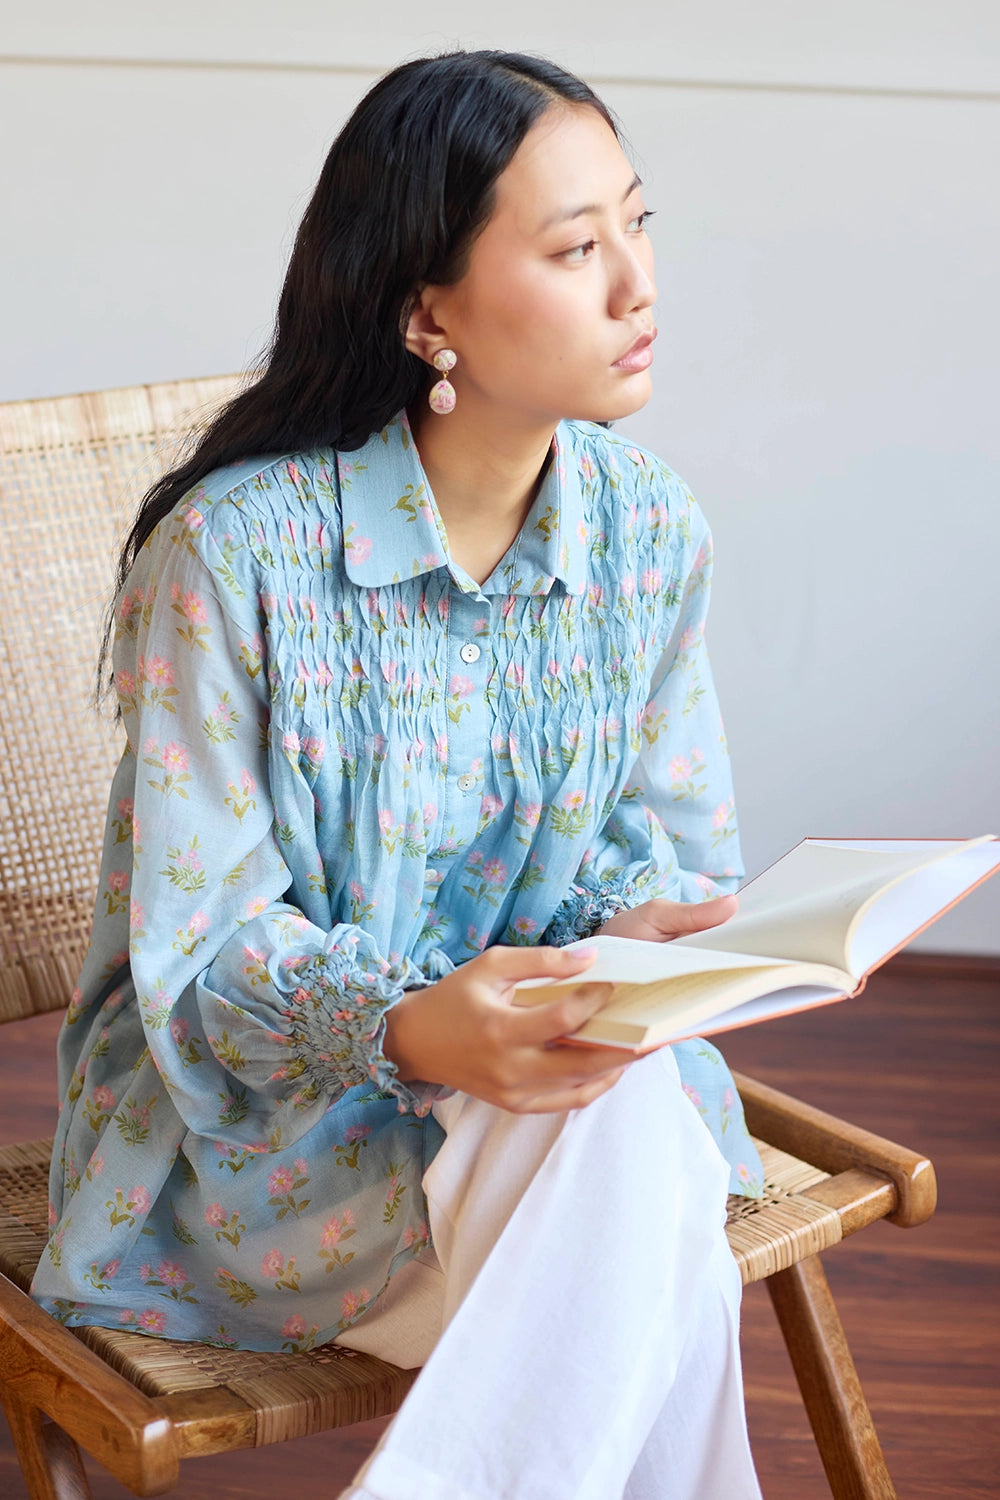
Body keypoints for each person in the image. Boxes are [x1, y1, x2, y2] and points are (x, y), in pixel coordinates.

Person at [32, 50, 765, 1498]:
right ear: (426, 309)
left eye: (638, 225)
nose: (637, 287)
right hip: (265, 1136)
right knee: (635, 1178)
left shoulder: (651, 530)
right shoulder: (238, 558)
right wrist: (424, 1031)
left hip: (552, 1083)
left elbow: (667, 849)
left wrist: (647, 937)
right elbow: (209, 954)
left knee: (616, 1123)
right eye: (575, 248)